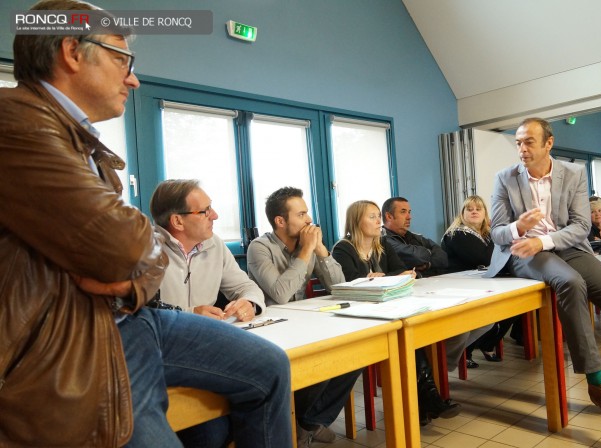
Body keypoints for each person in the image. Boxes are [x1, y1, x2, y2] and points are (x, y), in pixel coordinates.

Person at [0, 1, 292, 446]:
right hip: (82, 337)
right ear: (72, 52)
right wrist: (136, 266)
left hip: (131, 318)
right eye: (122, 59)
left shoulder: (78, 141)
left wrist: (134, 281)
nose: (132, 78)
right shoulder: (16, 123)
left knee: (270, 367)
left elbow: (137, 252)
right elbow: (129, 247)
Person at [484, 117, 601, 426]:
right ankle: (598, 382)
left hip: (566, 247)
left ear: (548, 143)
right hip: (524, 251)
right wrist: (519, 227)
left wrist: (545, 240)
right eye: (518, 142)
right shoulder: (505, 178)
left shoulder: (573, 173)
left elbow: (581, 226)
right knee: (570, 283)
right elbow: (497, 233)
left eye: (529, 141)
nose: (521, 148)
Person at [149, 179, 269, 447]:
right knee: (214, 430)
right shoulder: (144, 248)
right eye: (205, 211)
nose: (215, 215)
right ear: (177, 222)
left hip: (206, 351)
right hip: (163, 357)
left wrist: (249, 303)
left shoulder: (214, 244)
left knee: (256, 390)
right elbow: (140, 312)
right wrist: (189, 316)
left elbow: (247, 287)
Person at [332, 200, 460, 427]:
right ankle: (428, 399)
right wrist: (380, 277)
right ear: (356, 221)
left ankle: (424, 401)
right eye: (371, 217)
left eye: (377, 216)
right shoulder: (343, 248)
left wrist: (387, 276)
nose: (378, 221)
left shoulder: (382, 244)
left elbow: (399, 269)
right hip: (359, 315)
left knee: (409, 333)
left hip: (388, 307)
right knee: (406, 336)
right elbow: (351, 282)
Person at [247, 186, 354, 447]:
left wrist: (321, 252)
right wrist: (306, 251)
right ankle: (304, 422)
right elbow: (280, 295)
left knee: (352, 355)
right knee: (322, 359)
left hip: (303, 322)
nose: (309, 220)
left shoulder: (308, 245)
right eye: (302, 214)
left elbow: (339, 286)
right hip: (270, 329)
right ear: (280, 221)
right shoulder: (259, 248)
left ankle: (308, 423)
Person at [441, 195, 520, 367]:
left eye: (478, 209)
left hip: (481, 283)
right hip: (458, 287)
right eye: (469, 209)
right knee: (482, 317)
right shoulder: (458, 233)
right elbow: (485, 257)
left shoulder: (485, 234)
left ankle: (486, 344)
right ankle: (464, 352)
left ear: (485, 213)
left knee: (514, 308)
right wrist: (499, 240)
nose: (474, 212)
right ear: (462, 214)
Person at [381, 196, 449, 277]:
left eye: (409, 212)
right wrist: (430, 252)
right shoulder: (382, 239)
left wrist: (428, 265)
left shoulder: (414, 236)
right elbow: (416, 256)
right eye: (403, 212)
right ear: (389, 216)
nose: (409, 217)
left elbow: (444, 257)